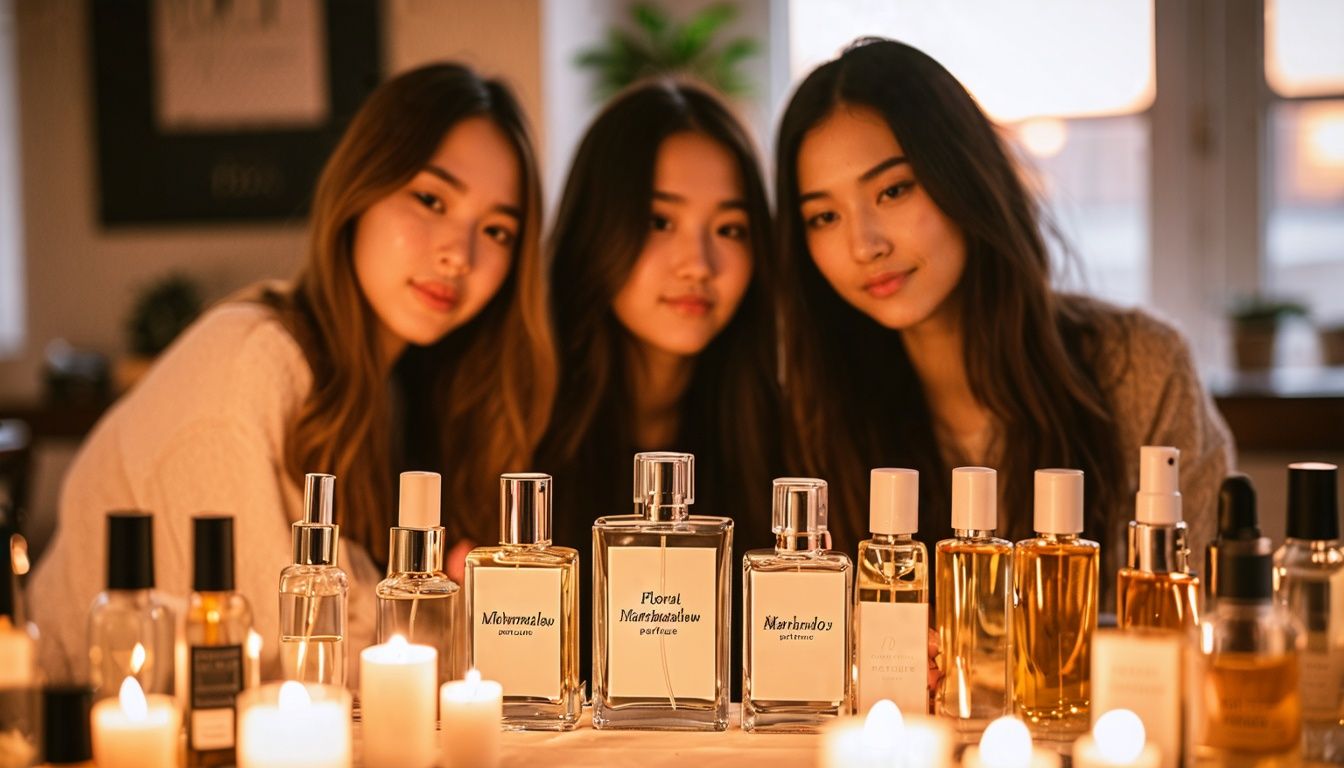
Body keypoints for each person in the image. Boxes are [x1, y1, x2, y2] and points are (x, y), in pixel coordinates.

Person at [29, 62, 555, 680]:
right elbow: (289, 647)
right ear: (360, 190)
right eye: (431, 199)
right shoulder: (250, 359)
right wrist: (450, 605)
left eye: (495, 230)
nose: (458, 254)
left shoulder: (395, 384)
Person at [774, 38, 1234, 606]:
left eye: (892, 190)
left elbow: (1211, 613)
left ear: (962, 175)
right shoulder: (812, 403)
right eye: (824, 216)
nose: (863, 244)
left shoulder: (1139, 367)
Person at [537, 79, 783, 686]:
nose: (698, 263)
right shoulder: (519, 415)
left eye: (730, 229)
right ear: (597, 227)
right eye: (659, 220)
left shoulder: (778, 430)